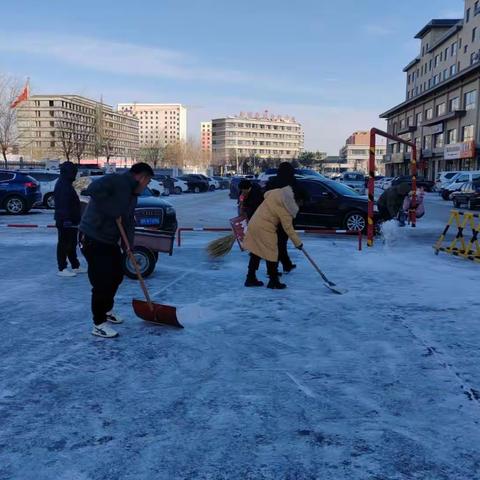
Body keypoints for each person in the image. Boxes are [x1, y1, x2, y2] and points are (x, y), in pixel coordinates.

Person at [80, 163, 154, 338]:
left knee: (116, 276)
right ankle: (98, 323)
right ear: (141, 177)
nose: (147, 185)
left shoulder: (132, 195)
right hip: (93, 237)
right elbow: (92, 189)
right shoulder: (116, 180)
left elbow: (128, 221)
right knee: (102, 281)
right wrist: (111, 209)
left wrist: (128, 245)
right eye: (148, 181)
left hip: (109, 240)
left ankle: (106, 310)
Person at [243, 185, 305, 289]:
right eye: (301, 202)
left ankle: (250, 278)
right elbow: (288, 229)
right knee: (272, 253)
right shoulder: (287, 208)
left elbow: (265, 194)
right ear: (297, 199)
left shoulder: (277, 193)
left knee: (256, 252)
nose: (301, 205)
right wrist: (298, 243)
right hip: (265, 228)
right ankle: (273, 281)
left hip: (254, 222)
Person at [265, 162, 298, 273]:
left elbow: (265, 196)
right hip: (284, 215)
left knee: (278, 243)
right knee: (280, 243)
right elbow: (301, 195)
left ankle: (286, 264)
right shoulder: (292, 182)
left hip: (272, 216)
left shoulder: (273, 181)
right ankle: (273, 271)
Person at [54, 161, 84, 277]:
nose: (75, 175)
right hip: (65, 221)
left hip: (71, 221)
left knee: (71, 244)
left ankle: (75, 266)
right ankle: (62, 268)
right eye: (74, 172)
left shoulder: (66, 183)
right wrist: (66, 219)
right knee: (63, 244)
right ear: (68, 172)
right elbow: (63, 204)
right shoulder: (62, 185)